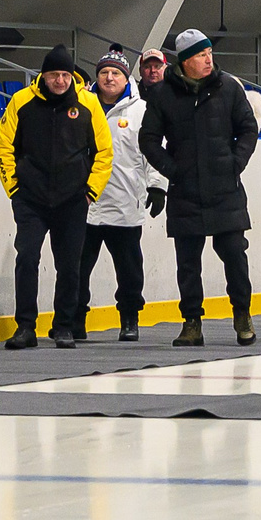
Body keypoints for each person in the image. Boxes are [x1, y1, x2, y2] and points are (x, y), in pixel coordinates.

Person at [141, 28, 259, 347]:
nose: (208, 59)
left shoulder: (229, 88)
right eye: (201, 55)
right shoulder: (163, 94)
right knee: (187, 264)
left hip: (226, 190)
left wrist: (235, 163)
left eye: (209, 53)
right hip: (186, 192)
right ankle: (191, 322)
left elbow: (248, 128)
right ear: (185, 61)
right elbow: (148, 139)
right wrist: (172, 170)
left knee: (235, 255)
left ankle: (242, 313)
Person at [0, 45, 113, 349]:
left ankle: (63, 326)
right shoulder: (22, 102)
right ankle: (25, 327)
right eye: (53, 75)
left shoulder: (88, 103)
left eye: (63, 75)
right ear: (43, 76)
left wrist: (90, 192)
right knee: (27, 258)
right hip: (31, 200)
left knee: (70, 264)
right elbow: (4, 147)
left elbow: (104, 152)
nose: (59, 81)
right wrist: (14, 189)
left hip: (73, 200)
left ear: (71, 75)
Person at [79, 49, 166, 342]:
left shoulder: (141, 111)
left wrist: (158, 185)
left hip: (126, 204)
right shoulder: (82, 107)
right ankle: (74, 319)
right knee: (75, 268)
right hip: (85, 205)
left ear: (125, 77)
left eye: (115, 72)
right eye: (104, 72)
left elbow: (154, 150)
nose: (109, 77)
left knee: (129, 272)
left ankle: (130, 318)